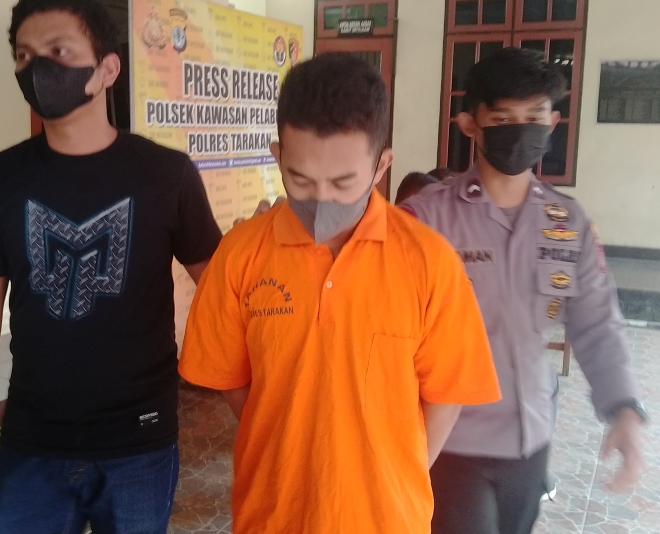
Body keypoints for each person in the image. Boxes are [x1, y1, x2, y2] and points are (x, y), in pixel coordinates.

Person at [0, 0, 223, 533]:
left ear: (107, 69)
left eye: (59, 51)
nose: (38, 68)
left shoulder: (166, 175)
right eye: (24, 55)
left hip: (139, 440)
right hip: (32, 440)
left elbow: (220, 288)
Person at [177, 53, 502, 533]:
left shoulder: (428, 262)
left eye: (343, 182)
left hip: (389, 519)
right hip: (273, 515)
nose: (322, 199)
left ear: (381, 165)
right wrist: (285, 435)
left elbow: (446, 393)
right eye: (300, 179)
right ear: (278, 156)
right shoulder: (241, 254)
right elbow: (228, 377)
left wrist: (396, 470)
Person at [401, 47, 647, 534]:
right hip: (449, 442)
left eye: (534, 117)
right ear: (470, 125)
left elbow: (596, 321)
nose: (521, 129)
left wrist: (623, 407)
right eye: (503, 118)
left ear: (552, 123)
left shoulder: (567, 221)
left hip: (530, 439)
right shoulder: (426, 219)